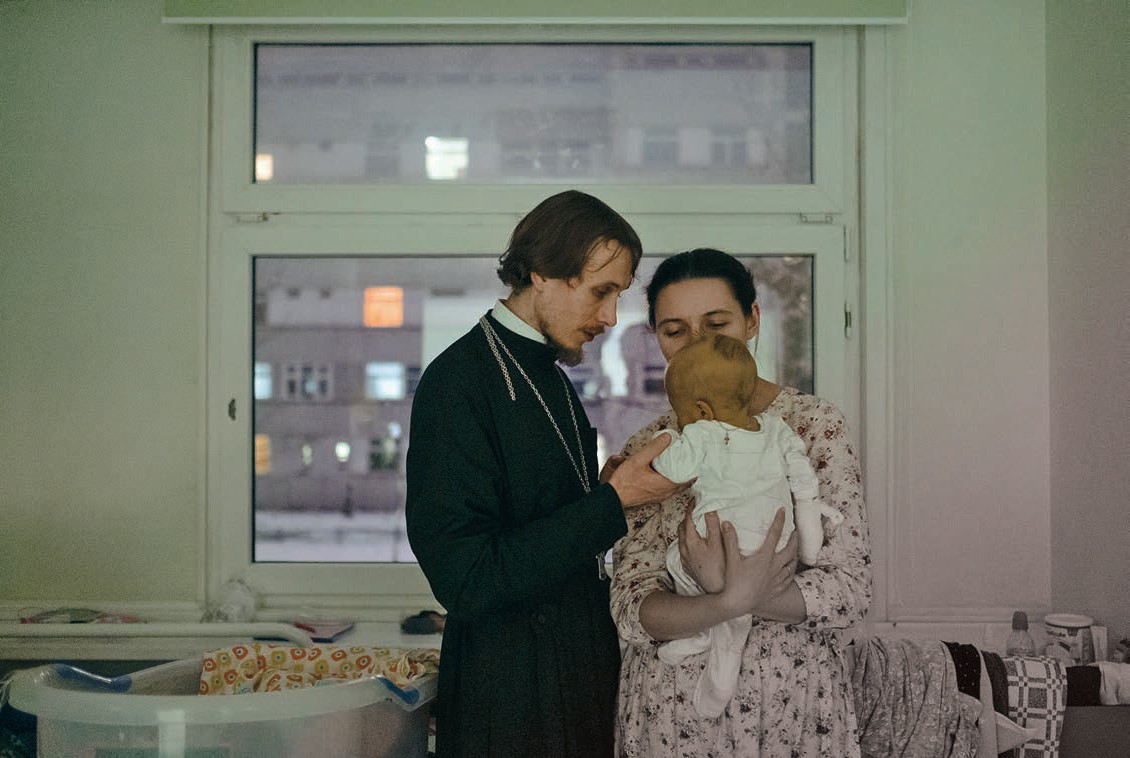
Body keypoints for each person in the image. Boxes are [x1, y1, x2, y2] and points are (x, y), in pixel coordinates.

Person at [405, 190, 684, 758]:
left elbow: (540, 519)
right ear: (540, 273)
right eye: (600, 291)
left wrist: (602, 491)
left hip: (576, 672)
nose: (610, 318)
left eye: (618, 296)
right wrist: (610, 505)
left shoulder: (548, 373)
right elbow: (466, 578)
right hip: (507, 696)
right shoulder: (457, 382)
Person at [610, 248, 872, 757]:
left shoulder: (812, 426)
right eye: (674, 330)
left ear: (752, 319)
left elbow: (847, 591)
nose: (697, 343)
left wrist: (735, 593)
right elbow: (631, 605)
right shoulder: (654, 450)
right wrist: (723, 603)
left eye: (717, 323)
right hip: (671, 713)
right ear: (656, 337)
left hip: (791, 704)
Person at [648, 332, 844, 718]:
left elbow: (674, 468)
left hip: (720, 544)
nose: (680, 421)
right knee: (731, 603)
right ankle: (714, 634)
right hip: (775, 545)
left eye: (680, 414)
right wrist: (809, 531)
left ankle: (709, 638)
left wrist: (666, 438)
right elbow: (802, 477)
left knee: (677, 561)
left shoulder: (703, 433)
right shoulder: (775, 428)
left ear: (701, 411)